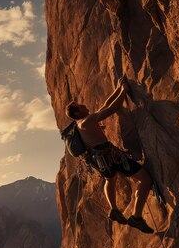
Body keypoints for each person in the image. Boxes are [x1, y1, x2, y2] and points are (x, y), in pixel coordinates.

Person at [66, 78, 154, 233]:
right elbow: (112, 108)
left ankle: (114, 209)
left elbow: (105, 105)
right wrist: (124, 90)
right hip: (111, 156)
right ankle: (136, 217)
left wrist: (118, 89)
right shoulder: (87, 120)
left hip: (99, 160)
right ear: (78, 112)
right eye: (81, 105)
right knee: (145, 180)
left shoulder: (80, 125)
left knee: (110, 179)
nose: (85, 105)